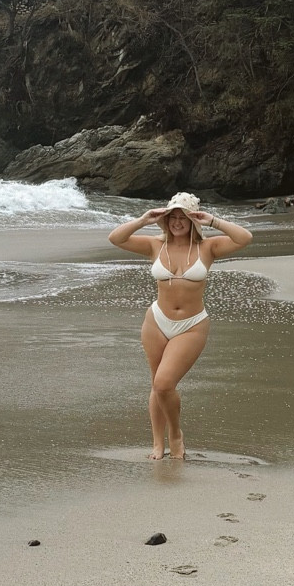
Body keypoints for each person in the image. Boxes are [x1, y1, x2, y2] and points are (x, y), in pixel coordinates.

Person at [107, 192, 254, 461]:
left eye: (182, 216)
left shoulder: (208, 248)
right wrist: (143, 219)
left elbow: (244, 238)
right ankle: (156, 443)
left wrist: (212, 221)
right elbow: (116, 238)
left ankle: (175, 434)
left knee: (164, 383)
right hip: (156, 321)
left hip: (191, 325)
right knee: (157, 384)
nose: (177, 222)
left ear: (193, 219)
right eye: (172, 216)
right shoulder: (154, 245)